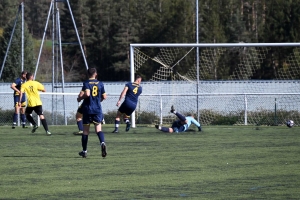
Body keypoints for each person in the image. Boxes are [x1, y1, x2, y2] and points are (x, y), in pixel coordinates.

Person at [77, 68, 107, 158]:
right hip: (97, 109)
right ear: (96, 74)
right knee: (98, 130)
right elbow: (104, 96)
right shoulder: (100, 83)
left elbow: (87, 94)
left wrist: (80, 98)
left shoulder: (86, 83)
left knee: (85, 131)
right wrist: (98, 100)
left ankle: (84, 151)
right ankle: (102, 143)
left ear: (87, 74)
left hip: (88, 109)